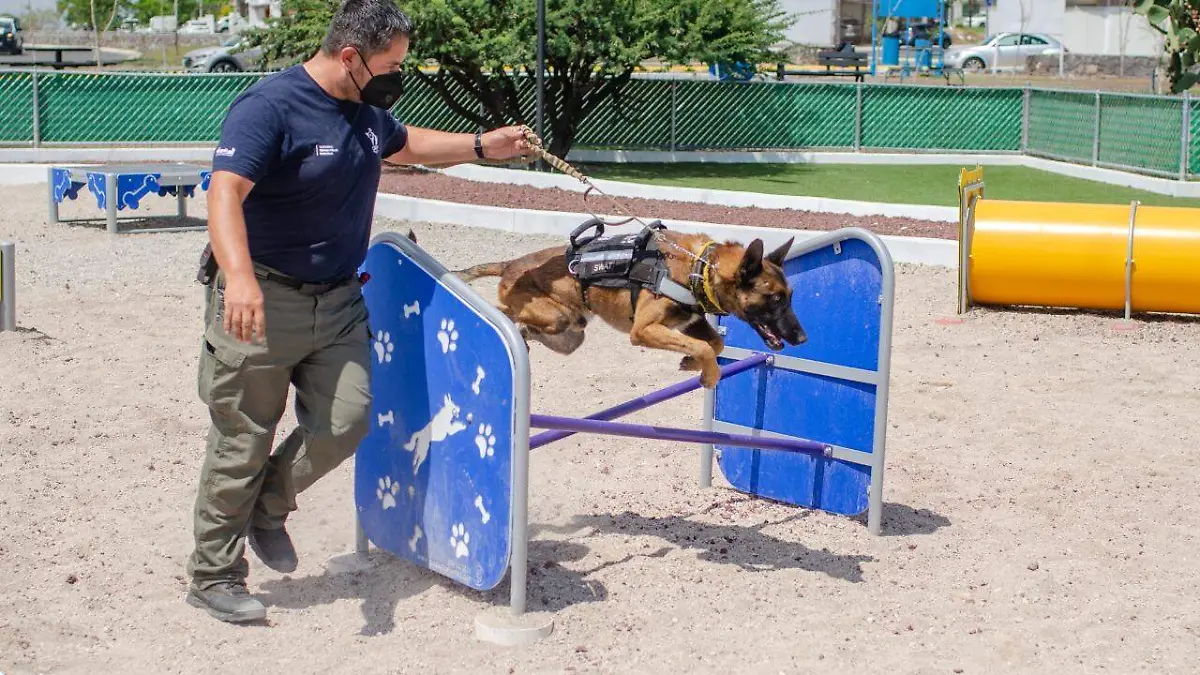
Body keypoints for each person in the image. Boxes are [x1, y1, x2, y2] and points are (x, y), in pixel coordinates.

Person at [185, 0, 532, 623]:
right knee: (242, 440)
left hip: (340, 298)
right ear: (350, 57)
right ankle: (214, 574)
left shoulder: (368, 112)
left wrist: (483, 145)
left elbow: (404, 145)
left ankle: (268, 504)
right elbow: (224, 191)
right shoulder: (270, 108)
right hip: (264, 299)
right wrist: (238, 278)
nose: (399, 73)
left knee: (348, 420)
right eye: (391, 63)